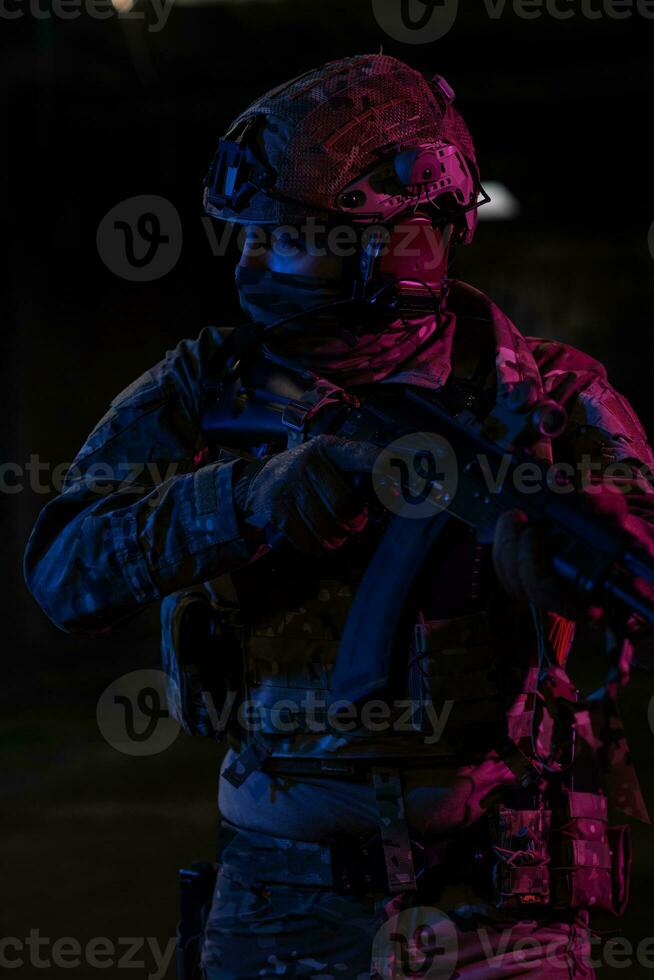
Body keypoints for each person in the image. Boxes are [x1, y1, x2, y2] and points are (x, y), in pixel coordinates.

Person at [24, 54, 654, 978]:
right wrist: (248, 498)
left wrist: (569, 561)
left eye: (284, 237)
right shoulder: (208, 387)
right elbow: (65, 572)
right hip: (283, 903)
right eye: (248, 235)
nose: (249, 261)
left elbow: (635, 559)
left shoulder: (552, 401)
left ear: (398, 237)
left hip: (501, 911)